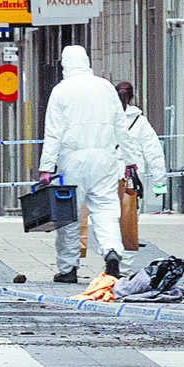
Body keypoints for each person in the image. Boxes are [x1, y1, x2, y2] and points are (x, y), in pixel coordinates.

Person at [39, 45, 134, 283]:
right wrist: (130, 160)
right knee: (105, 209)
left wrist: (46, 167)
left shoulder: (61, 90)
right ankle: (112, 250)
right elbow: (121, 126)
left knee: (68, 213)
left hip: (73, 158)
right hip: (105, 158)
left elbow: (53, 132)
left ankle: (68, 268)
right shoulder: (105, 87)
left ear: (65, 64)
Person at [115, 82, 168, 211]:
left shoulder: (105, 118)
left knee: (107, 216)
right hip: (132, 173)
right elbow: (154, 152)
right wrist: (159, 184)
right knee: (130, 215)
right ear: (132, 98)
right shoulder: (140, 121)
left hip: (108, 172)